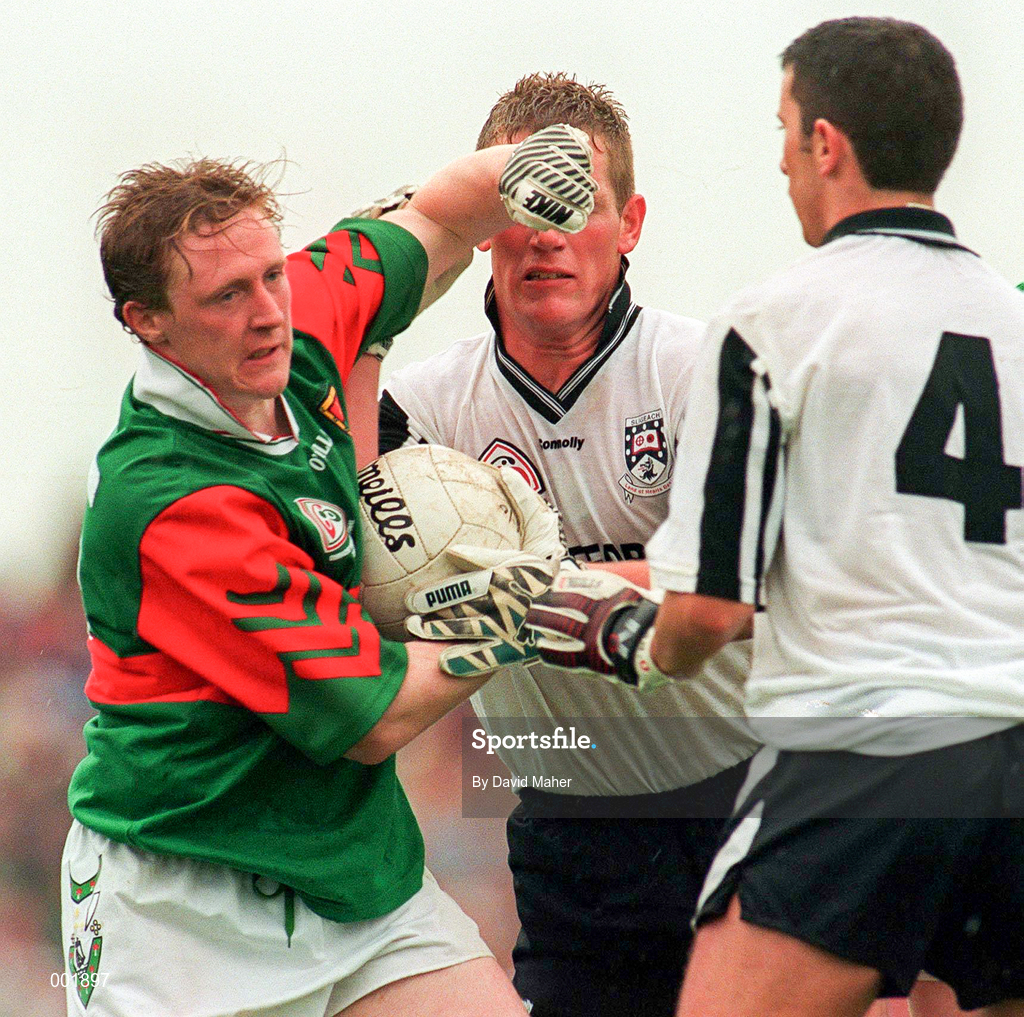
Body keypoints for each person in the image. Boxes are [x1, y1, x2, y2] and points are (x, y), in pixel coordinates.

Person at [527, 17, 1024, 1017]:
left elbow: (711, 614)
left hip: (867, 750)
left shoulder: (773, 319)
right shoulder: (1010, 319)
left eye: (784, 130)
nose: (783, 161)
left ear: (825, 145)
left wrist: (618, 633)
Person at [63, 131, 596, 1017]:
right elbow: (377, 720)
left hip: (355, 879)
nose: (268, 310)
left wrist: (529, 167)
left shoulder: (288, 318)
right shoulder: (173, 503)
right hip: (180, 911)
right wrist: (520, 613)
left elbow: (436, 213)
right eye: (227, 295)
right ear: (145, 321)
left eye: (271, 275)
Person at [378, 72, 759, 1017]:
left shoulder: (710, 368)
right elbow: (349, 560)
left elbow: (754, 590)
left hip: (748, 794)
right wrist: (376, 295)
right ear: (479, 225)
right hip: (568, 818)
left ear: (629, 223)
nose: (547, 231)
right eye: (520, 199)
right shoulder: (418, 409)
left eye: (576, 200)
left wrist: (532, 585)